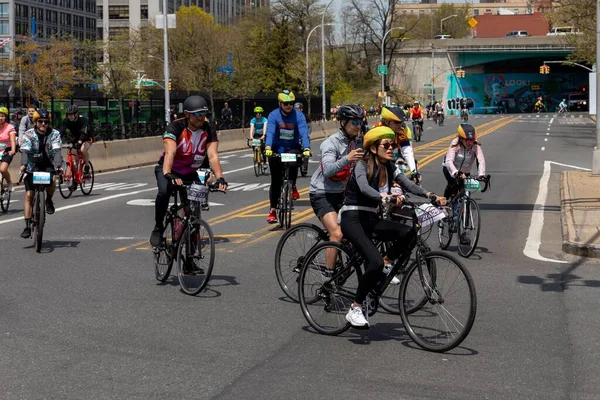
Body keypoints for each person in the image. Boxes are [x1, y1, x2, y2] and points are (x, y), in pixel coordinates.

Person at [339, 126, 445, 328]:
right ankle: (355, 307)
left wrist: (430, 196)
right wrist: (383, 196)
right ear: (373, 148)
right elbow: (363, 187)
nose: (391, 148)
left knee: (410, 233)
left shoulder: (389, 167)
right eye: (386, 145)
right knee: (374, 263)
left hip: (371, 218)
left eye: (392, 145)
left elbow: (408, 184)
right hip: (352, 217)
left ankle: (387, 261)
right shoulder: (362, 165)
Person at [149, 95, 228, 246]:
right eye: (197, 114)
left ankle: (190, 254)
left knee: (194, 206)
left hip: (193, 172)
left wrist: (220, 178)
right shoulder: (175, 127)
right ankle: (158, 227)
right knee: (164, 192)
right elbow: (170, 153)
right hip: (169, 169)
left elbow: (212, 155)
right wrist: (168, 173)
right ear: (186, 114)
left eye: (204, 114)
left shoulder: (208, 128)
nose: (201, 118)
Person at [309, 104, 364, 254]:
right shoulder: (330, 143)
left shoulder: (354, 141)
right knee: (337, 234)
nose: (358, 126)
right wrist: (348, 158)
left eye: (361, 122)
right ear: (343, 122)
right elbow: (327, 170)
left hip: (342, 192)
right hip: (322, 194)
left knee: (358, 228)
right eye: (354, 122)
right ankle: (329, 273)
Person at [264, 90, 311, 224]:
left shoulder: (299, 116)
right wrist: (268, 147)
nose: (289, 106)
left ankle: (293, 184)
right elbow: (271, 132)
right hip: (276, 148)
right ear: (280, 103)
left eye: (291, 103)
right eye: (286, 104)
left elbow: (303, 131)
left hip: (292, 147)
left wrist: (307, 148)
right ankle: (273, 210)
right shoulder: (273, 115)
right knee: (276, 180)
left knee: (294, 160)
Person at [19, 109, 63, 238]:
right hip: (32, 164)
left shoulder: (54, 134)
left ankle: (48, 200)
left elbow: (56, 151)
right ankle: (27, 226)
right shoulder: (29, 134)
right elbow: (25, 150)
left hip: (48, 163)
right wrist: (24, 165)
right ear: (35, 122)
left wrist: (58, 165)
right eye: (40, 121)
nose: (43, 124)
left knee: (53, 179)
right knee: (29, 194)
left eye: (46, 122)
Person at [442, 123, 486, 201]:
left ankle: (465, 208)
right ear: (461, 139)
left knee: (465, 189)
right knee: (453, 184)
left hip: (465, 171)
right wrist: (455, 172)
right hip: (450, 168)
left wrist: (481, 174)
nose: (469, 143)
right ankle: (444, 202)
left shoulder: (476, 146)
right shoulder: (455, 144)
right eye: (467, 140)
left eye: (471, 140)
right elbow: (449, 161)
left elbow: (481, 160)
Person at [374, 106, 418, 180]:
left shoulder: (400, 132)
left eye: (401, 122)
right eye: (397, 122)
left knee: (401, 168)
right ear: (387, 122)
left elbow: (407, 151)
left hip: (393, 160)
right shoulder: (376, 129)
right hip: (377, 163)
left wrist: (413, 171)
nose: (400, 125)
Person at [59, 105, 93, 178]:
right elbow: (61, 132)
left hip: (86, 137)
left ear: (76, 114)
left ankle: (87, 167)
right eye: (68, 115)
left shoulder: (83, 120)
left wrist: (80, 141)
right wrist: (57, 140)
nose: (70, 117)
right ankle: (76, 177)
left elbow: (84, 132)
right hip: (76, 138)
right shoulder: (66, 121)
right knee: (74, 155)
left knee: (82, 150)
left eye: (71, 115)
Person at [0, 107, 17, 193]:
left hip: (7, 150)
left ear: (5, 117)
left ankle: (9, 182)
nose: (0, 118)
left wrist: (13, 150)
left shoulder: (9, 127)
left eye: (2, 116)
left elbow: (12, 140)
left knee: (2, 169)